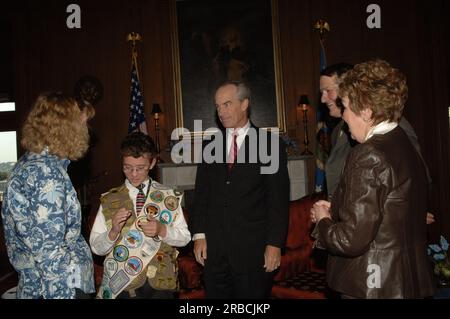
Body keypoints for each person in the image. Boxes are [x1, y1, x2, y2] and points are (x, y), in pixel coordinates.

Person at [310, 59, 436, 298]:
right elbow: (390, 208)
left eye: (345, 107)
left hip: (372, 284)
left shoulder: (368, 154)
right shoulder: (403, 142)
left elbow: (351, 240)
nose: (344, 117)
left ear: (366, 111)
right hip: (404, 281)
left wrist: (323, 220)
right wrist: (338, 207)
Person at [190, 81, 290, 298]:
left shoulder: (269, 144)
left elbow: (278, 200)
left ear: (244, 104)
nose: (221, 112)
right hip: (214, 253)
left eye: (227, 104)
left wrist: (274, 245)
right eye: (218, 106)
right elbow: (201, 195)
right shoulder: (210, 145)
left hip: (252, 252)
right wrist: (198, 235)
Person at [1, 92, 95, 299]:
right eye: (83, 123)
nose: (86, 130)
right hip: (59, 290)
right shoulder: (45, 173)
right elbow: (49, 252)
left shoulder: (33, 164)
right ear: (66, 127)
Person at [320, 63, 435, 225]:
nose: (323, 98)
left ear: (347, 88)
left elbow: (414, 171)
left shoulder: (392, 124)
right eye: (321, 92)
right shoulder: (338, 131)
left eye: (328, 91)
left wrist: (411, 210)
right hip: (348, 219)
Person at [90, 132, 190, 299]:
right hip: (124, 286)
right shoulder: (109, 200)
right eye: (127, 167)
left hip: (161, 284)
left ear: (152, 163)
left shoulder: (168, 197)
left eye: (140, 168)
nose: (134, 174)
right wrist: (113, 232)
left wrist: (162, 230)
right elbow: (96, 248)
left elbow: (185, 238)